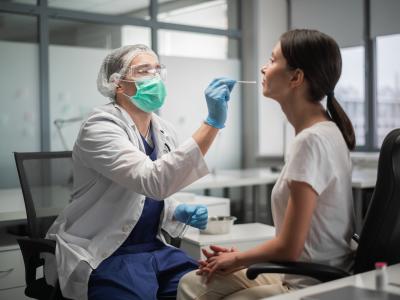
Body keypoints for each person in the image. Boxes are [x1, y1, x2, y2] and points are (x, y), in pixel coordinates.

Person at [44, 44, 236, 300]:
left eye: (158, 70)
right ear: (117, 84)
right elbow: (152, 180)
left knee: (215, 288)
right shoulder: (99, 127)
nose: (154, 77)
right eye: (144, 71)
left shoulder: (164, 130)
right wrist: (211, 124)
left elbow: (147, 193)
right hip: (107, 254)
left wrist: (173, 209)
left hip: (155, 249)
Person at [178, 29, 356, 300]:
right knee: (194, 283)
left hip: (310, 283)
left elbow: (290, 247)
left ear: (296, 77)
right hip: (304, 269)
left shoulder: (310, 141)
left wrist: (238, 259)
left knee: (203, 288)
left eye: (272, 61)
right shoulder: (326, 131)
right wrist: (241, 256)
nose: (263, 68)